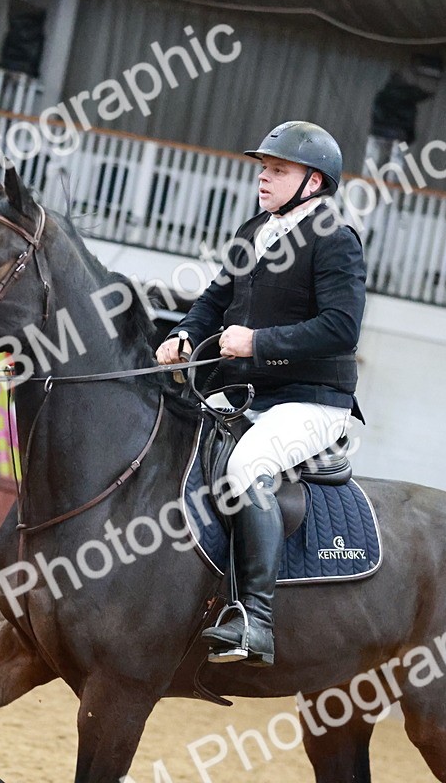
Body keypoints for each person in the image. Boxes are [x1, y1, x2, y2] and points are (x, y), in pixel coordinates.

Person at [155, 120, 367, 666]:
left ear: (314, 182)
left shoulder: (335, 239)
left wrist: (257, 342)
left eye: (278, 170)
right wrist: (186, 334)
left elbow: (342, 328)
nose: (264, 178)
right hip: (248, 394)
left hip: (312, 400)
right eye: (264, 169)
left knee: (247, 467)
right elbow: (213, 300)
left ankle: (256, 621)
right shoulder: (255, 231)